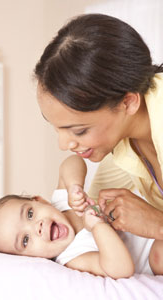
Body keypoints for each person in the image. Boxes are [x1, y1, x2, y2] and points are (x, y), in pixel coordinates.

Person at [34, 13, 163, 273]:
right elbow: (87, 212)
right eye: (57, 129)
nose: (64, 144)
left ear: (128, 102)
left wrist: (157, 223)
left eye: (79, 130)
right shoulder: (125, 148)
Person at [0, 155, 162, 277]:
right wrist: (98, 227)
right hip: (151, 251)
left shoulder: (62, 203)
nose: (36, 227)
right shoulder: (72, 257)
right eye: (25, 240)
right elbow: (121, 269)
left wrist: (74, 185)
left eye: (30, 213)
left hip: (148, 210)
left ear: (40, 200)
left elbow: (71, 162)